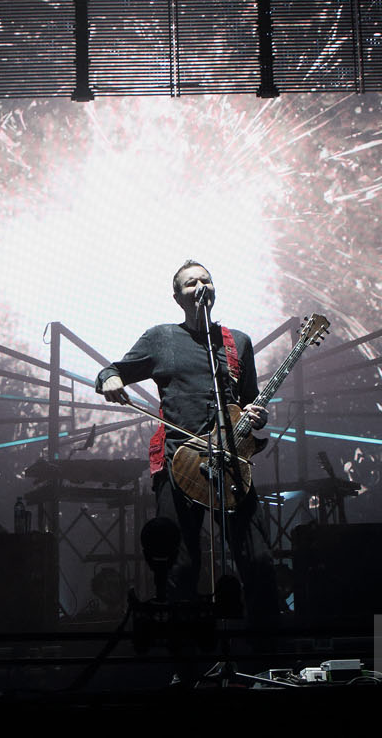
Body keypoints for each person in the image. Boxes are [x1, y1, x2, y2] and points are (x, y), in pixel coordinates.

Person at [96, 261, 279, 624]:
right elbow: (111, 371)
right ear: (177, 296)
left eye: (206, 280)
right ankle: (186, 663)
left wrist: (257, 416)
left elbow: (248, 402)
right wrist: (110, 381)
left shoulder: (236, 342)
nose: (200, 286)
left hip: (229, 463)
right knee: (181, 564)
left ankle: (265, 651)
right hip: (179, 462)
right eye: (191, 282)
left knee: (257, 558)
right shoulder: (161, 338)